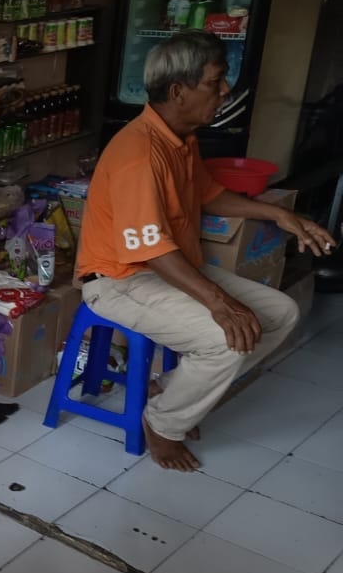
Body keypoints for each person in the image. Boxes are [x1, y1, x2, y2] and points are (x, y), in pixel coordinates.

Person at [76, 31, 334, 472]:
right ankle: (163, 423)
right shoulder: (140, 154)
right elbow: (153, 251)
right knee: (225, 339)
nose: (226, 90)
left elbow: (209, 194)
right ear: (178, 91)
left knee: (281, 313)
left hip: (168, 268)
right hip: (120, 279)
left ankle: (170, 388)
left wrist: (278, 215)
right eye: (216, 82)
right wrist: (220, 304)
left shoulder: (180, 139)